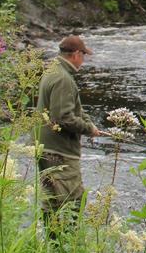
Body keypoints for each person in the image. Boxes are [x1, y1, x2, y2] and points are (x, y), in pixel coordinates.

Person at [36, 34, 102, 237]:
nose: (83, 60)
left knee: (52, 201)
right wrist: (88, 129)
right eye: (83, 55)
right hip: (60, 150)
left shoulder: (52, 70)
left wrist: (87, 121)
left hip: (44, 146)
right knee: (73, 200)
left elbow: (70, 109)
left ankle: (52, 247)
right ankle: (65, 249)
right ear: (75, 54)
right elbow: (63, 118)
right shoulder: (64, 79)